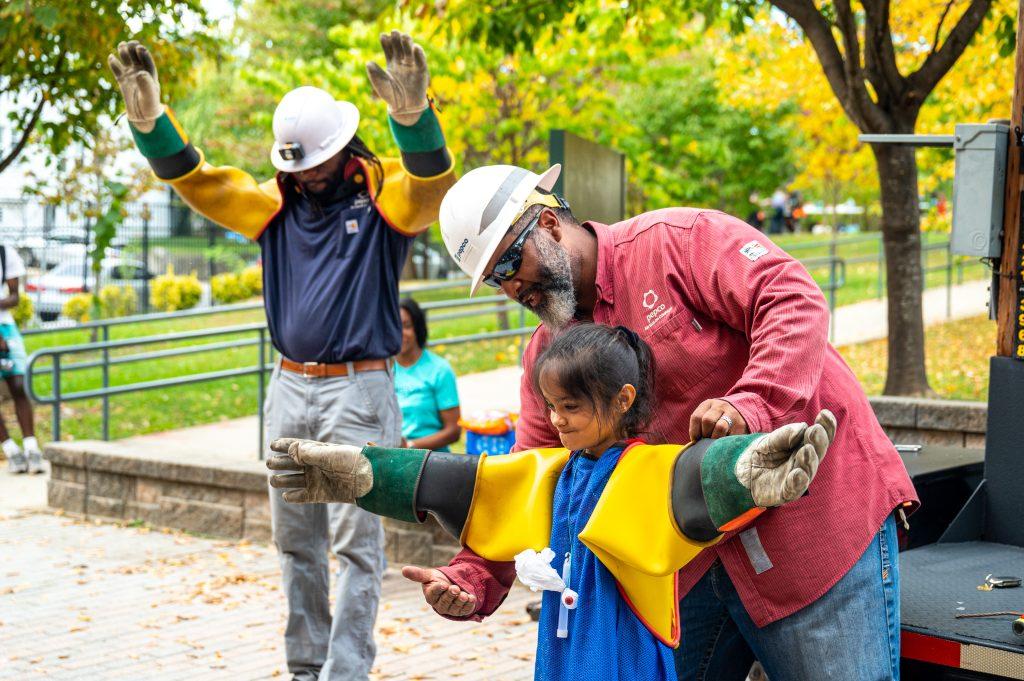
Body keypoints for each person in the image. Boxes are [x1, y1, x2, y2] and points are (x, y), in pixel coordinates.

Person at [435, 164, 917, 680]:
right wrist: (477, 573)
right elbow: (533, 475)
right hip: (685, 567)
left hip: (810, 529)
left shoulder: (677, 243)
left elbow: (791, 300)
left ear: (548, 222)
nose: (512, 287)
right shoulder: (547, 352)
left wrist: (749, 405)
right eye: (494, 278)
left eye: (511, 261)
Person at [108, 31, 455, 681]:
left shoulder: (380, 199)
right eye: (295, 164)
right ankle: (305, 667)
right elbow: (202, 182)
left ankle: (345, 672)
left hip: (359, 389)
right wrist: (151, 125)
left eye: (315, 162)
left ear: (343, 148)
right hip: (289, 389)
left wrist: (414, 119)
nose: (305, 173)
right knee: (296, 540)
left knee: (356, 545)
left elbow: (431, 188)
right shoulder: (275, 206)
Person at [266, 322, 837, 681]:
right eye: (551, 406)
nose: (555, 421)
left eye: (571, 407)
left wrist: (752, 471)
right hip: (563, 644)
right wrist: (364, 475)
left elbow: (702, 477)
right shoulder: (553, 470)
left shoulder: (649, 465)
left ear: (623, 400)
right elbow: (459, 482)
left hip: (623, 645)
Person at [395, 298, 461, 451]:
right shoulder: (383, 371)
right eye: (395, 326)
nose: (400, 333)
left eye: (406, 326)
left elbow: (454, 431)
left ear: (418, 328)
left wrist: (410, 447)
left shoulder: (439, 370)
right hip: (391, 460)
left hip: (431, 461)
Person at [0, 245, 42, 475]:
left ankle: (31, 447)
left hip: (4, 326)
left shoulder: (5, 253)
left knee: (18, 384)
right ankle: (10, 450)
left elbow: (14, 297)